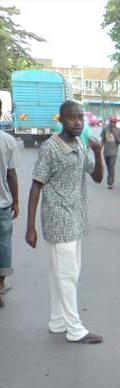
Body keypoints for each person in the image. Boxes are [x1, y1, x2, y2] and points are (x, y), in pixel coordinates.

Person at [25, 100, 104, 343]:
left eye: (81, 117)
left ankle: (58, 321)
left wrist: (99, 152)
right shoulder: (50, 148)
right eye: (72, 118)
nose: (78, 122)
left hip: (76, 218)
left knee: (62, 273)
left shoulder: (81, 144)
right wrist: (30, 227)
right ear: (61, 119)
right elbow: (36, 185)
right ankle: (75, 329)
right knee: (68, 275)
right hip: (59, 219)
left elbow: (98, 177)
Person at [0, 99, 19, 303]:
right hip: (2, 204)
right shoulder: (7, 140)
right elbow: (11, 175)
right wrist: (16, 201)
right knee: (3, 244)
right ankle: (0, 285)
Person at [101, 115, 120, 189]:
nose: (112, 123)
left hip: (114, 152)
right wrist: (99, 149)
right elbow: (102, 140)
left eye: (114, 122)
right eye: (111, 122)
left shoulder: (118, 130)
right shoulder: (105, 129)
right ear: (109, 122)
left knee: (111, 166)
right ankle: (111, 178)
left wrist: (115, 134)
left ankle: (110, 183)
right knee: (108, 167)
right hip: (106, 152)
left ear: (116, 123)